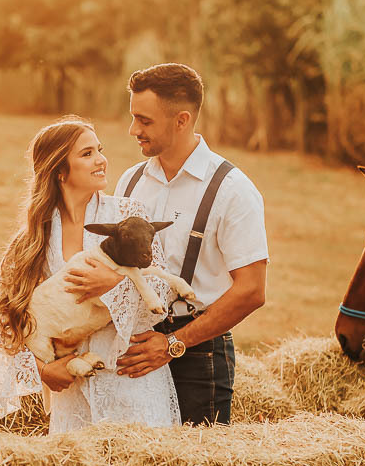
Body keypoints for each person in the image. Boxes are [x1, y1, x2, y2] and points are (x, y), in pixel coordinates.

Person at [66, 63, 268, 426]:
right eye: (133, 118)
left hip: (198, 357)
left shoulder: (233, 190)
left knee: (194, 461)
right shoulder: (130, 182)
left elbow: (251, 291)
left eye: (144, 121)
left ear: (181, 120)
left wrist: (174, 344)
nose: (133, 130)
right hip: (131, 346)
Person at [0, 116, 180, 434]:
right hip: (73, 401)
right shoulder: (34, 238)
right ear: (60, 170)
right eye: (87, 154)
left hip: (133, 386)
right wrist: (42, 370)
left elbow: (162, 293)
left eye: (99, 150)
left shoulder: (128, 214)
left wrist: (113, 285)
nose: (101, 160)